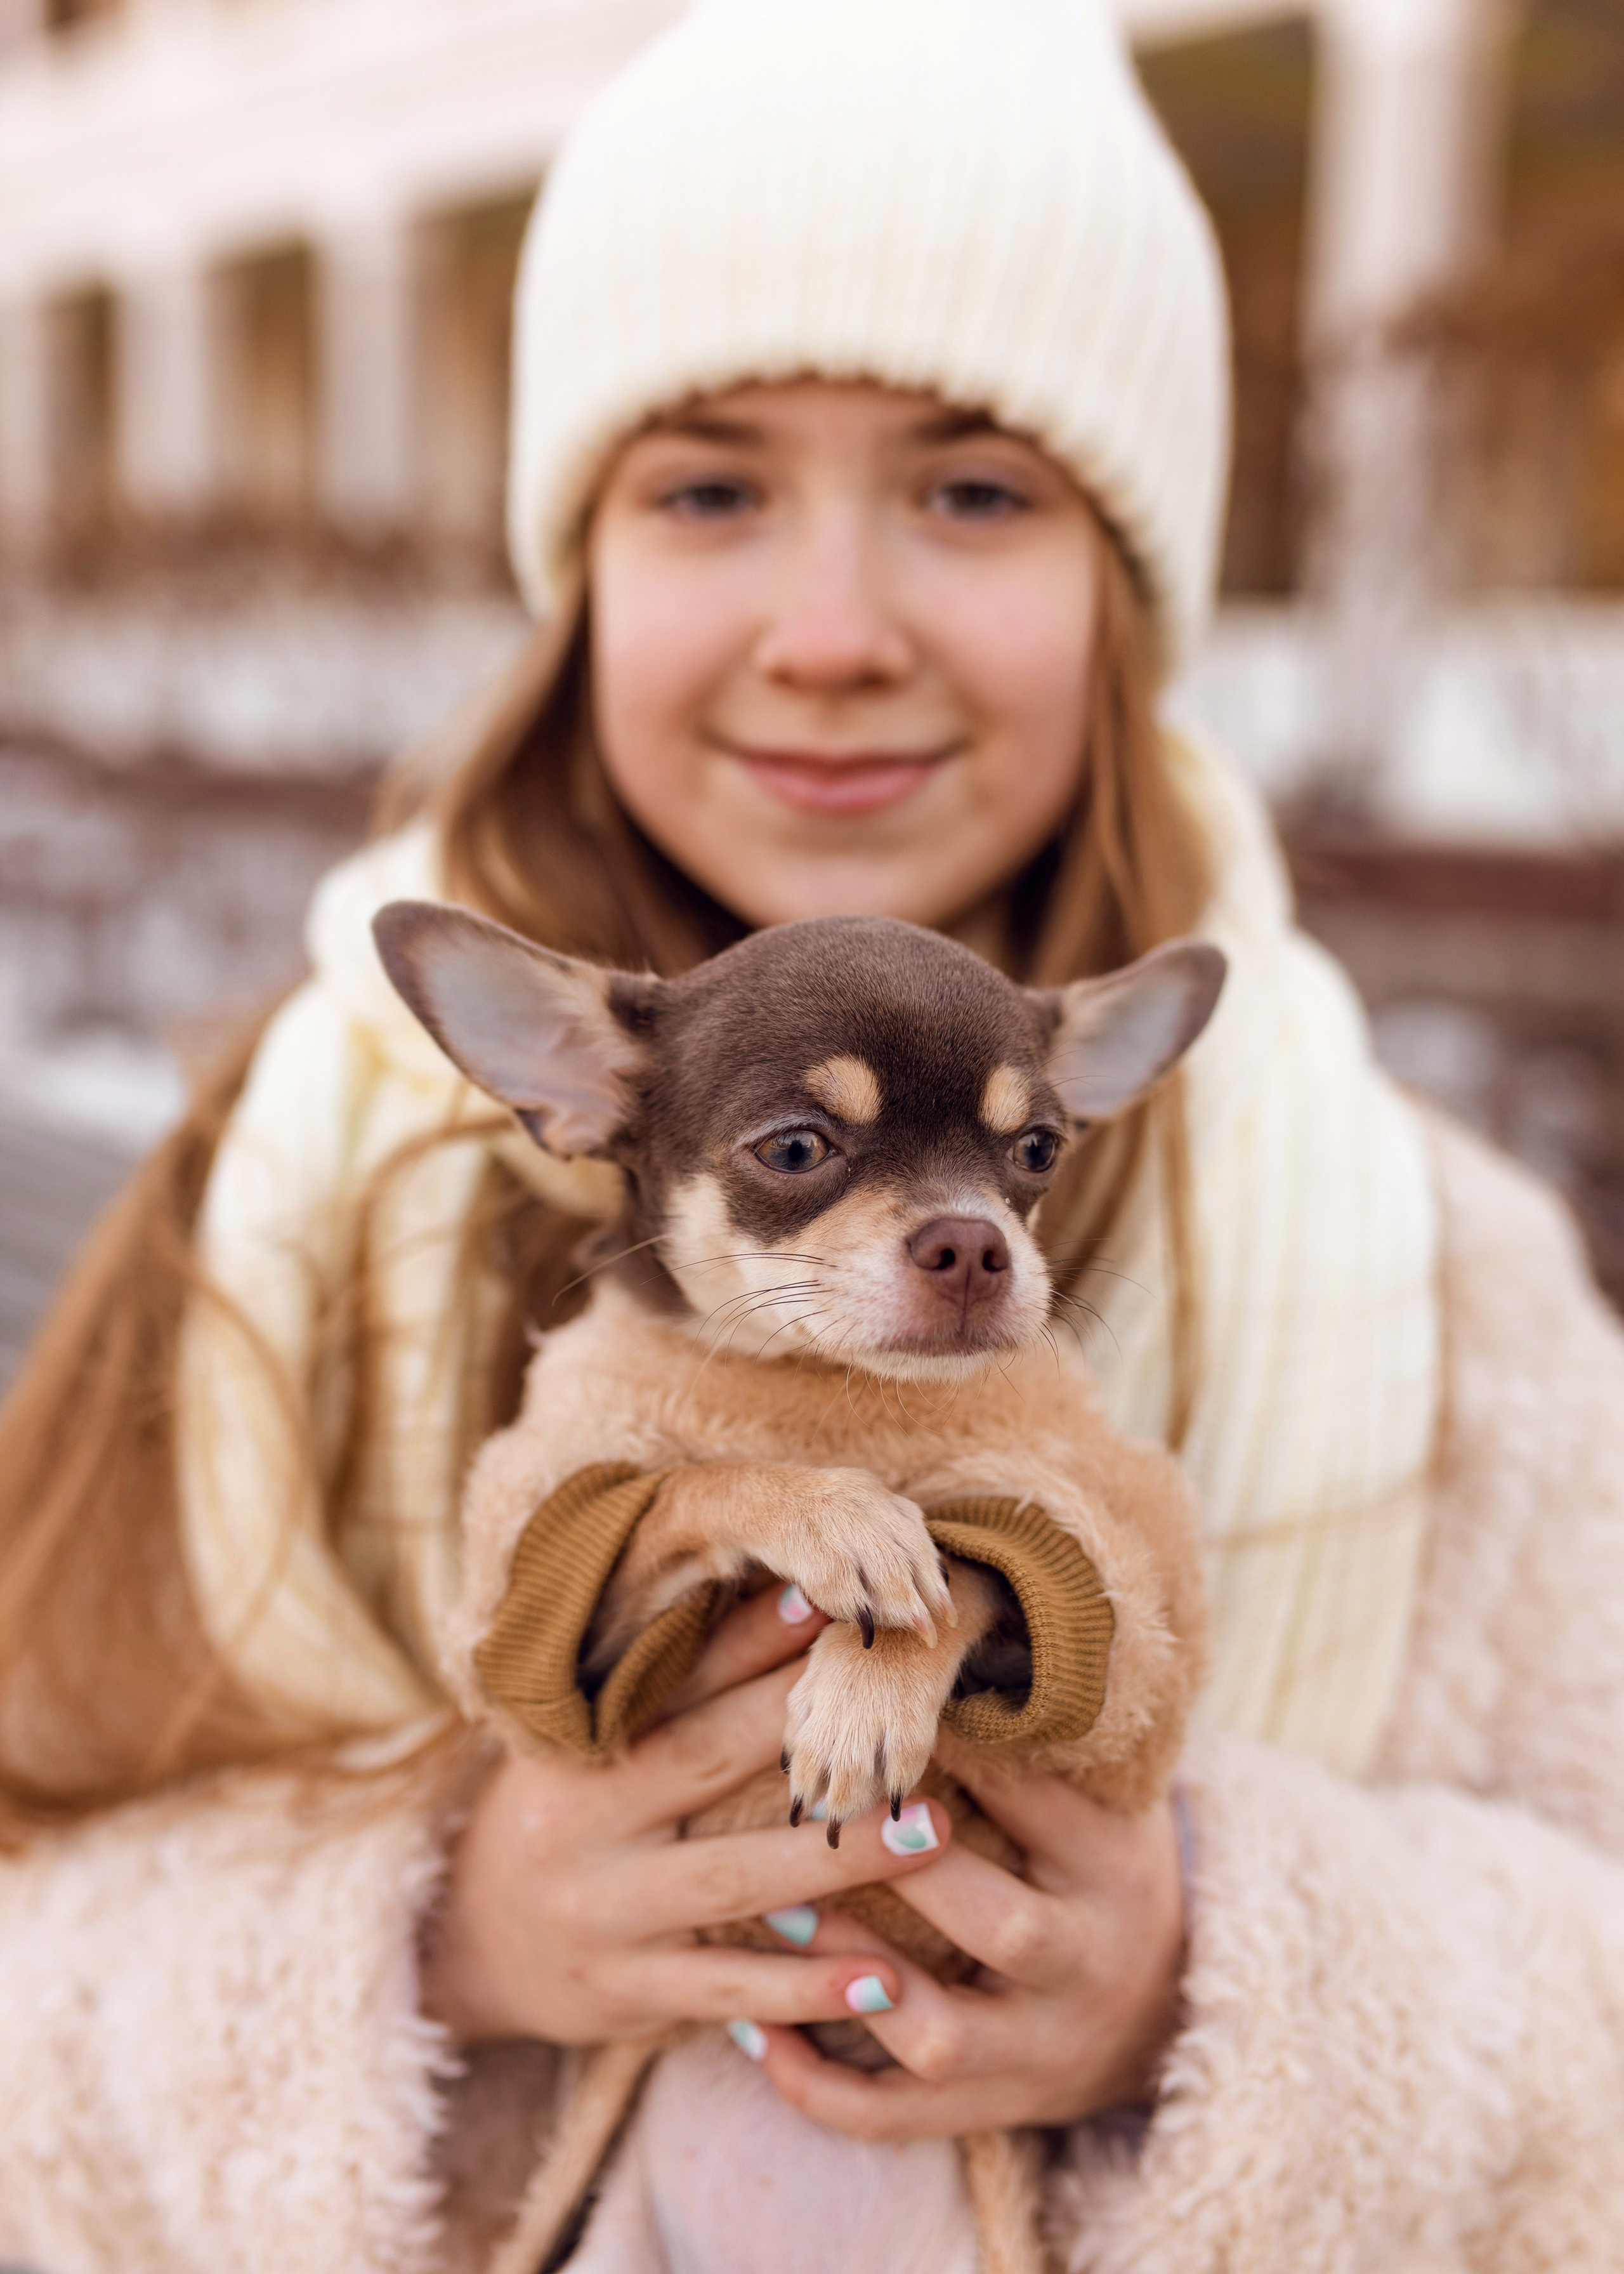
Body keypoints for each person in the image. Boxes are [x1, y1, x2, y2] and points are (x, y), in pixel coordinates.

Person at [3, 1, 1623, 2268]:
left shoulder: (1457, 1287)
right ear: (576, 584)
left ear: (1128, 594)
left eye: (975, 488)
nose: (835, 627)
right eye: (709, 486)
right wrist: (437, 1937)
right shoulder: (264, 1214)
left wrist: (1213, 1975)